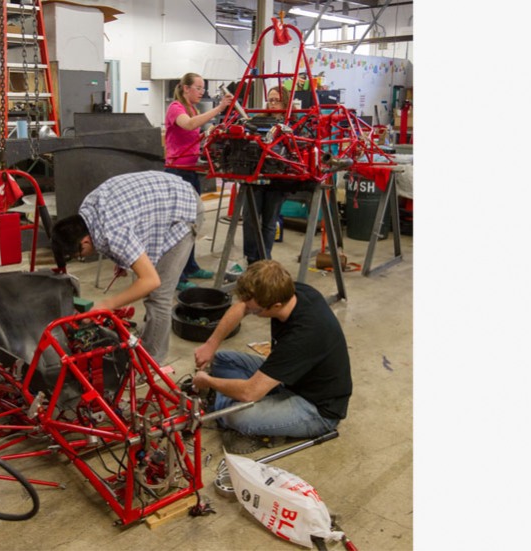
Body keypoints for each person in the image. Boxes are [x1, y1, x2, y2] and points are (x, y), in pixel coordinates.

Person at [192, 260, 352, 452]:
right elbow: (242, 306)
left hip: (316, 409)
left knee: (235, 417)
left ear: (275, 305)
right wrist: (211, 344)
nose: (249, 311)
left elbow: (249, 392)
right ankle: (228, 403)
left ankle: (229, 412)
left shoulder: (302, 336)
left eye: (255, 310)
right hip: (290, 379)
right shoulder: (292, 291)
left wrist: (209, 382)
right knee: (221, 359)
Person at [50, 170, 203, 365]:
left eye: (78, 256)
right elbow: (132, 221)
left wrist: (107, 304)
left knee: (158, 295)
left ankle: (152, 362)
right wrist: (122, 260)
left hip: (184, 209)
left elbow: (151, 280)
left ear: (86, 241)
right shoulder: (87, 211)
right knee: (145, 280)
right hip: (163, 201)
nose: (80, 259)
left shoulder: (115, 232)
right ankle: (150, 342)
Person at [165, 72, 235, 291]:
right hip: (177, 172)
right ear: (186, 88)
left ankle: (191, 266)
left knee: (192, 224)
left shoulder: (192, 108)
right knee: (180, 227)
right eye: (198, 88)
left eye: (203, 88)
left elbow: (195, 132)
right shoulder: (176, 108)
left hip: (191, 170)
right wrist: (219, 109)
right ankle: (177, 277)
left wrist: (212, 132)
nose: (202, 92)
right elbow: (188, 125)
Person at [242, 86, 291, 266]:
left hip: (278, 180)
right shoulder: (258, 120)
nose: (272, 103)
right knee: (249, 220)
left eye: (276, 100)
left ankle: (265, 259)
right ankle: (251, 259)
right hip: (255, 175)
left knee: (270, 222)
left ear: (284, 101)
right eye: (270, 99)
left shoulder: (291, 123)